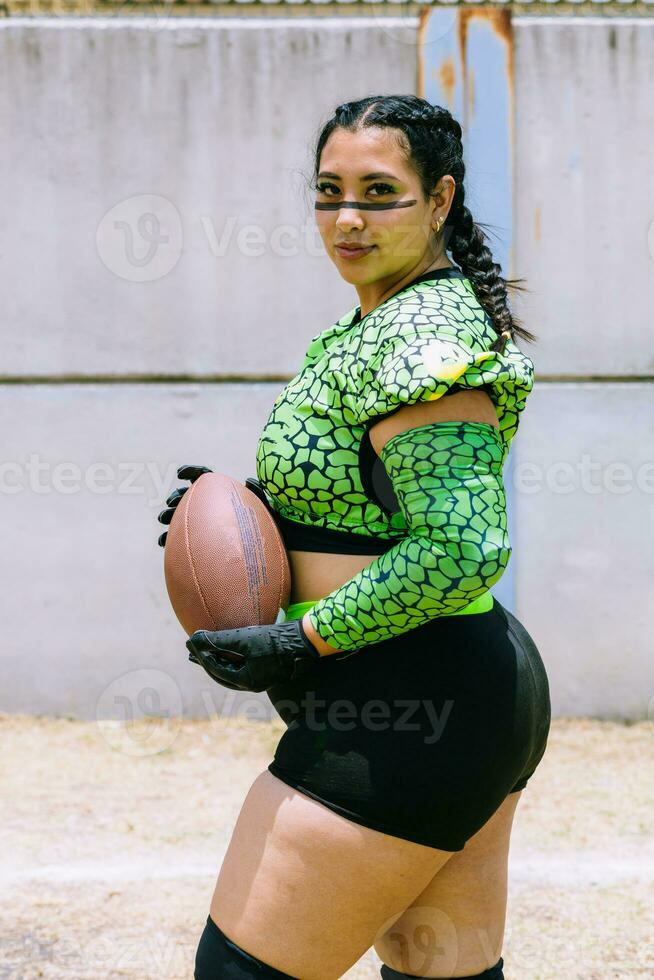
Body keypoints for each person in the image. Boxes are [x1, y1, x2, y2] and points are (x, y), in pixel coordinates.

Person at [158, 95, 551, 980]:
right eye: (329, 190)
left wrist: (297, 634)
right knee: (436, 972)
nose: (348, 217)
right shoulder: (384, 320)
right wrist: (249, 509)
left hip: (414, 699)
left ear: (440, 199)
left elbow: (462, 549)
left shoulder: (425, 336)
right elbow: (375, 499)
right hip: (452, 692)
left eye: (380, 192)